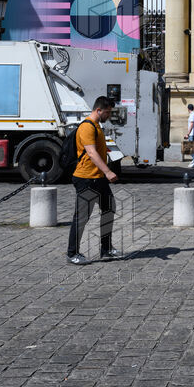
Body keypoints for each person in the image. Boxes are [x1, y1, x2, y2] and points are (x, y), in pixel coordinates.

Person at [66, 96, 121, 265]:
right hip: (86, 178)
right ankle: (72, 253)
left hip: (98, 178)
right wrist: (108, 171)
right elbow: (91, 152)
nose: (109, 116)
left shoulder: (97, 126)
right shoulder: (87, 127)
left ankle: (106, 249)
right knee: (82, 216)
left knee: (109, 208)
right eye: (107, 112)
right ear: (99, 110)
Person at [186, 103, 194, 168]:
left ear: (188, 109)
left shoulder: (192, 115)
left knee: (190, 149)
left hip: (192, 134)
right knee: (192, 148)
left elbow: (191, 124)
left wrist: (188, 134)